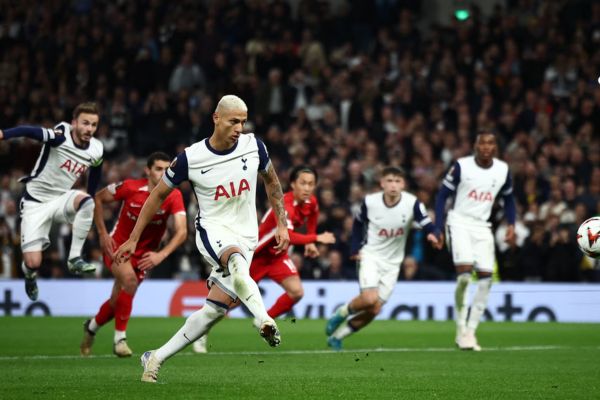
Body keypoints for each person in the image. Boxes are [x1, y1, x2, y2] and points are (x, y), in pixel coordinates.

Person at [114, 95, 290, 383]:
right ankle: (264, 320)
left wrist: (282, 224)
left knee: (213, 311)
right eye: (234, 121)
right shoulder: (190, 158)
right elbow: (157, 195)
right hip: (213, 229)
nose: (239, 128)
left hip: (246, 233)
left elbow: (272, 181)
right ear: (216, 118)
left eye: (243, 122)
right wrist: (134, 238)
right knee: (236, 263)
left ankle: (154, 357)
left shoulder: (254, 146)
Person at [193, 165, 336, 353]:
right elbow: (288, 236)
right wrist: (316, 238)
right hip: (256, 255)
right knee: (229, 303)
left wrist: (309, 242)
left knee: (296, 292)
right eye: (303, 183)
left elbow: (313, 216)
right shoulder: (285, 207)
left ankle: (263, 319)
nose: (307, 188)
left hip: (277, 257)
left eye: (311, 184)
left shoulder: (311, 203)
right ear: (293, 184)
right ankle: (200, 331)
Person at [80, 152, 187, 357]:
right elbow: (98, 198)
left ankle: (91, 327)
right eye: (158, 169)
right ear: (147, 170)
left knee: (116, 302)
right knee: (129, 281)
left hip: (145, 256)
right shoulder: (130, 187)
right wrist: (103, 234)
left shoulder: (173, 195)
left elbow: (182, 231)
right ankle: (119, 340)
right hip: (118, 247)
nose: (163, 173)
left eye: (167, 169)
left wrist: (160, 255)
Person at [325, 166, 440, 350]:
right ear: (382, 183)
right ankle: (341, 313)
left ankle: (338, 336)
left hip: (393, 264)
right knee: (369, 299)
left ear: (403, 184)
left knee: (375, 309)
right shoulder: (371, 202)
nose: (393, 185)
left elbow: (426, 222)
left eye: (397, 181)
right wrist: (355, 248)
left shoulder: (412, 203)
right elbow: (358, 223)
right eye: (389, 181)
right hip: (371, 256)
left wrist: (433, 233)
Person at [0, 102, 104, 300]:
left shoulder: (97, 149)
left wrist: (90, 196)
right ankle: (30, 275)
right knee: (33, 263)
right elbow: (29, 131)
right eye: (85, 123)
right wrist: (3, 134)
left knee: (88, 200)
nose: (89, 129)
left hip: (60, 199)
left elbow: (96, 171)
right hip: (35, 203)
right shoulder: (60, 136)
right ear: (74, 123)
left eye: (93, 125)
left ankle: (74, 258)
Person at [433, 130, 516, 351]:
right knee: (464, 277)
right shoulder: (462, 166)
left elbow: (509, 198)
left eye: (491, 143)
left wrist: (512, 224)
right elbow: (442, 195)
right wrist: (438, 226)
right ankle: (460, 328)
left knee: (486, 280)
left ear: (495, 147)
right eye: (482, 143)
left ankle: (470, 332)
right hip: (459, 222)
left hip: (483, 227)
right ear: (476, 146)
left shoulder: (503, 170)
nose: (486, 147)